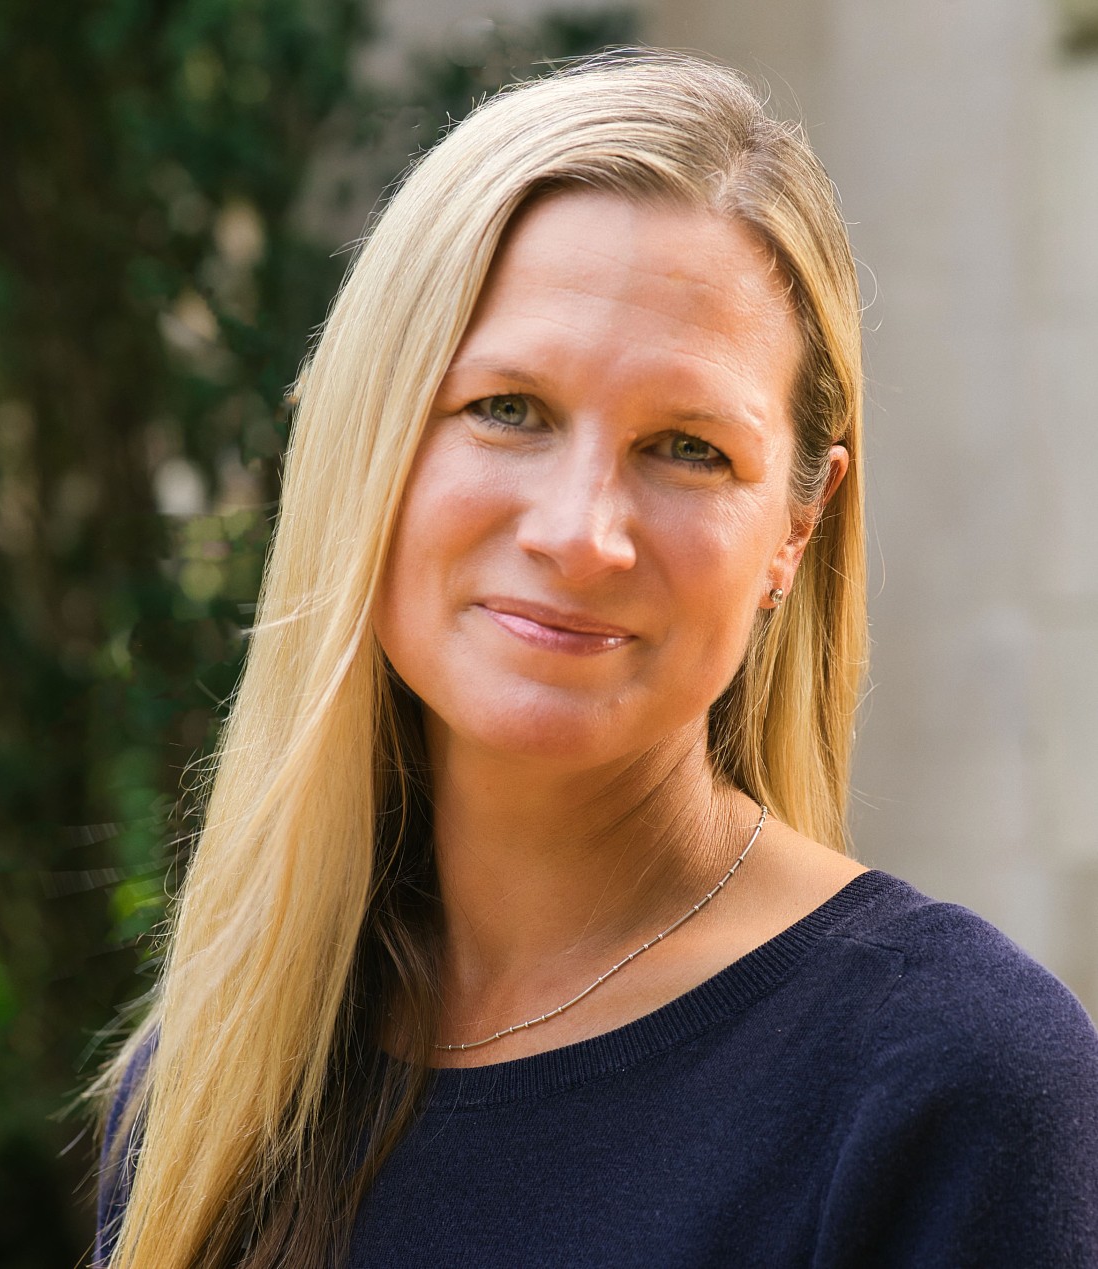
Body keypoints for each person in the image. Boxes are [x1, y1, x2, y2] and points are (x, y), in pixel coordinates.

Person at [93, 51, 1098, 1269]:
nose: (579, 532)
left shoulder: (952, 1085)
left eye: (685, 446)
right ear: (371, 437)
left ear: (796, 524)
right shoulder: (213, 1085)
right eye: (506, 409)